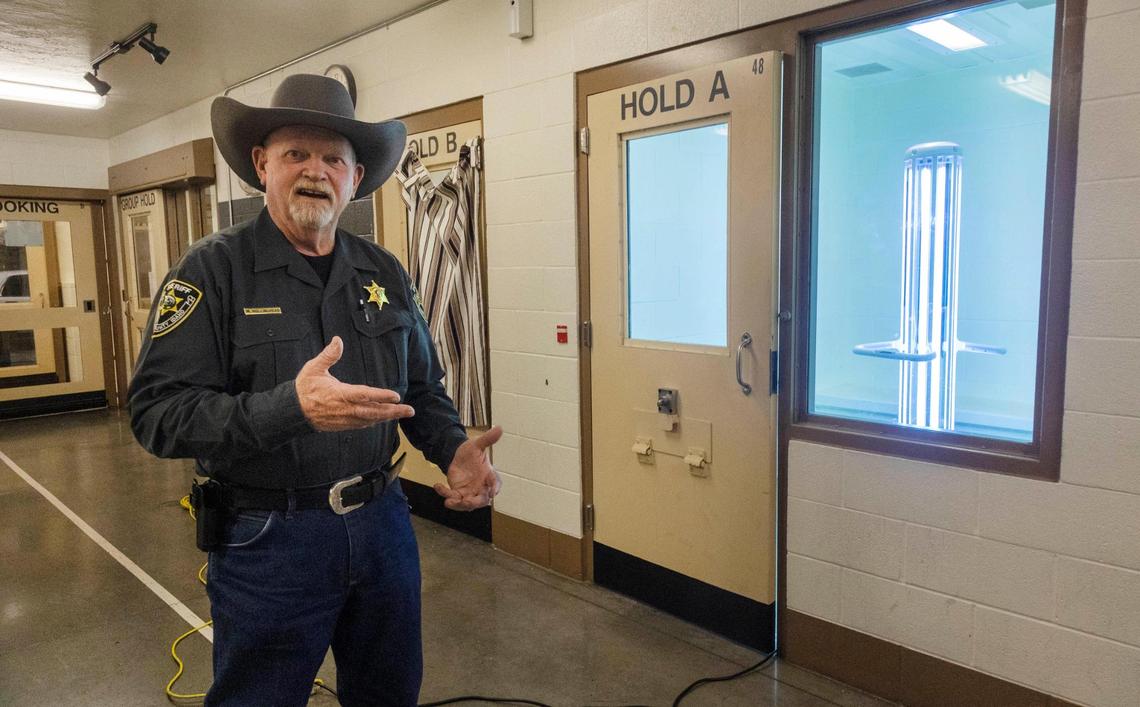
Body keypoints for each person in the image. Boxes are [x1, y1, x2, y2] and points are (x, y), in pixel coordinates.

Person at [129, 73, 501, 706]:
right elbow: (157, 414)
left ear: (356, 178)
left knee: (389, 691)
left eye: (334, 158)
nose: (315, 171)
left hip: (383, 527)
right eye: (296, 154)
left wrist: (452, 448)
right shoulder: (212, 271)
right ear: (261, 165)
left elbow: (420, 385)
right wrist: (289, 408)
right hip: (267, 538)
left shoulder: (382, 270)